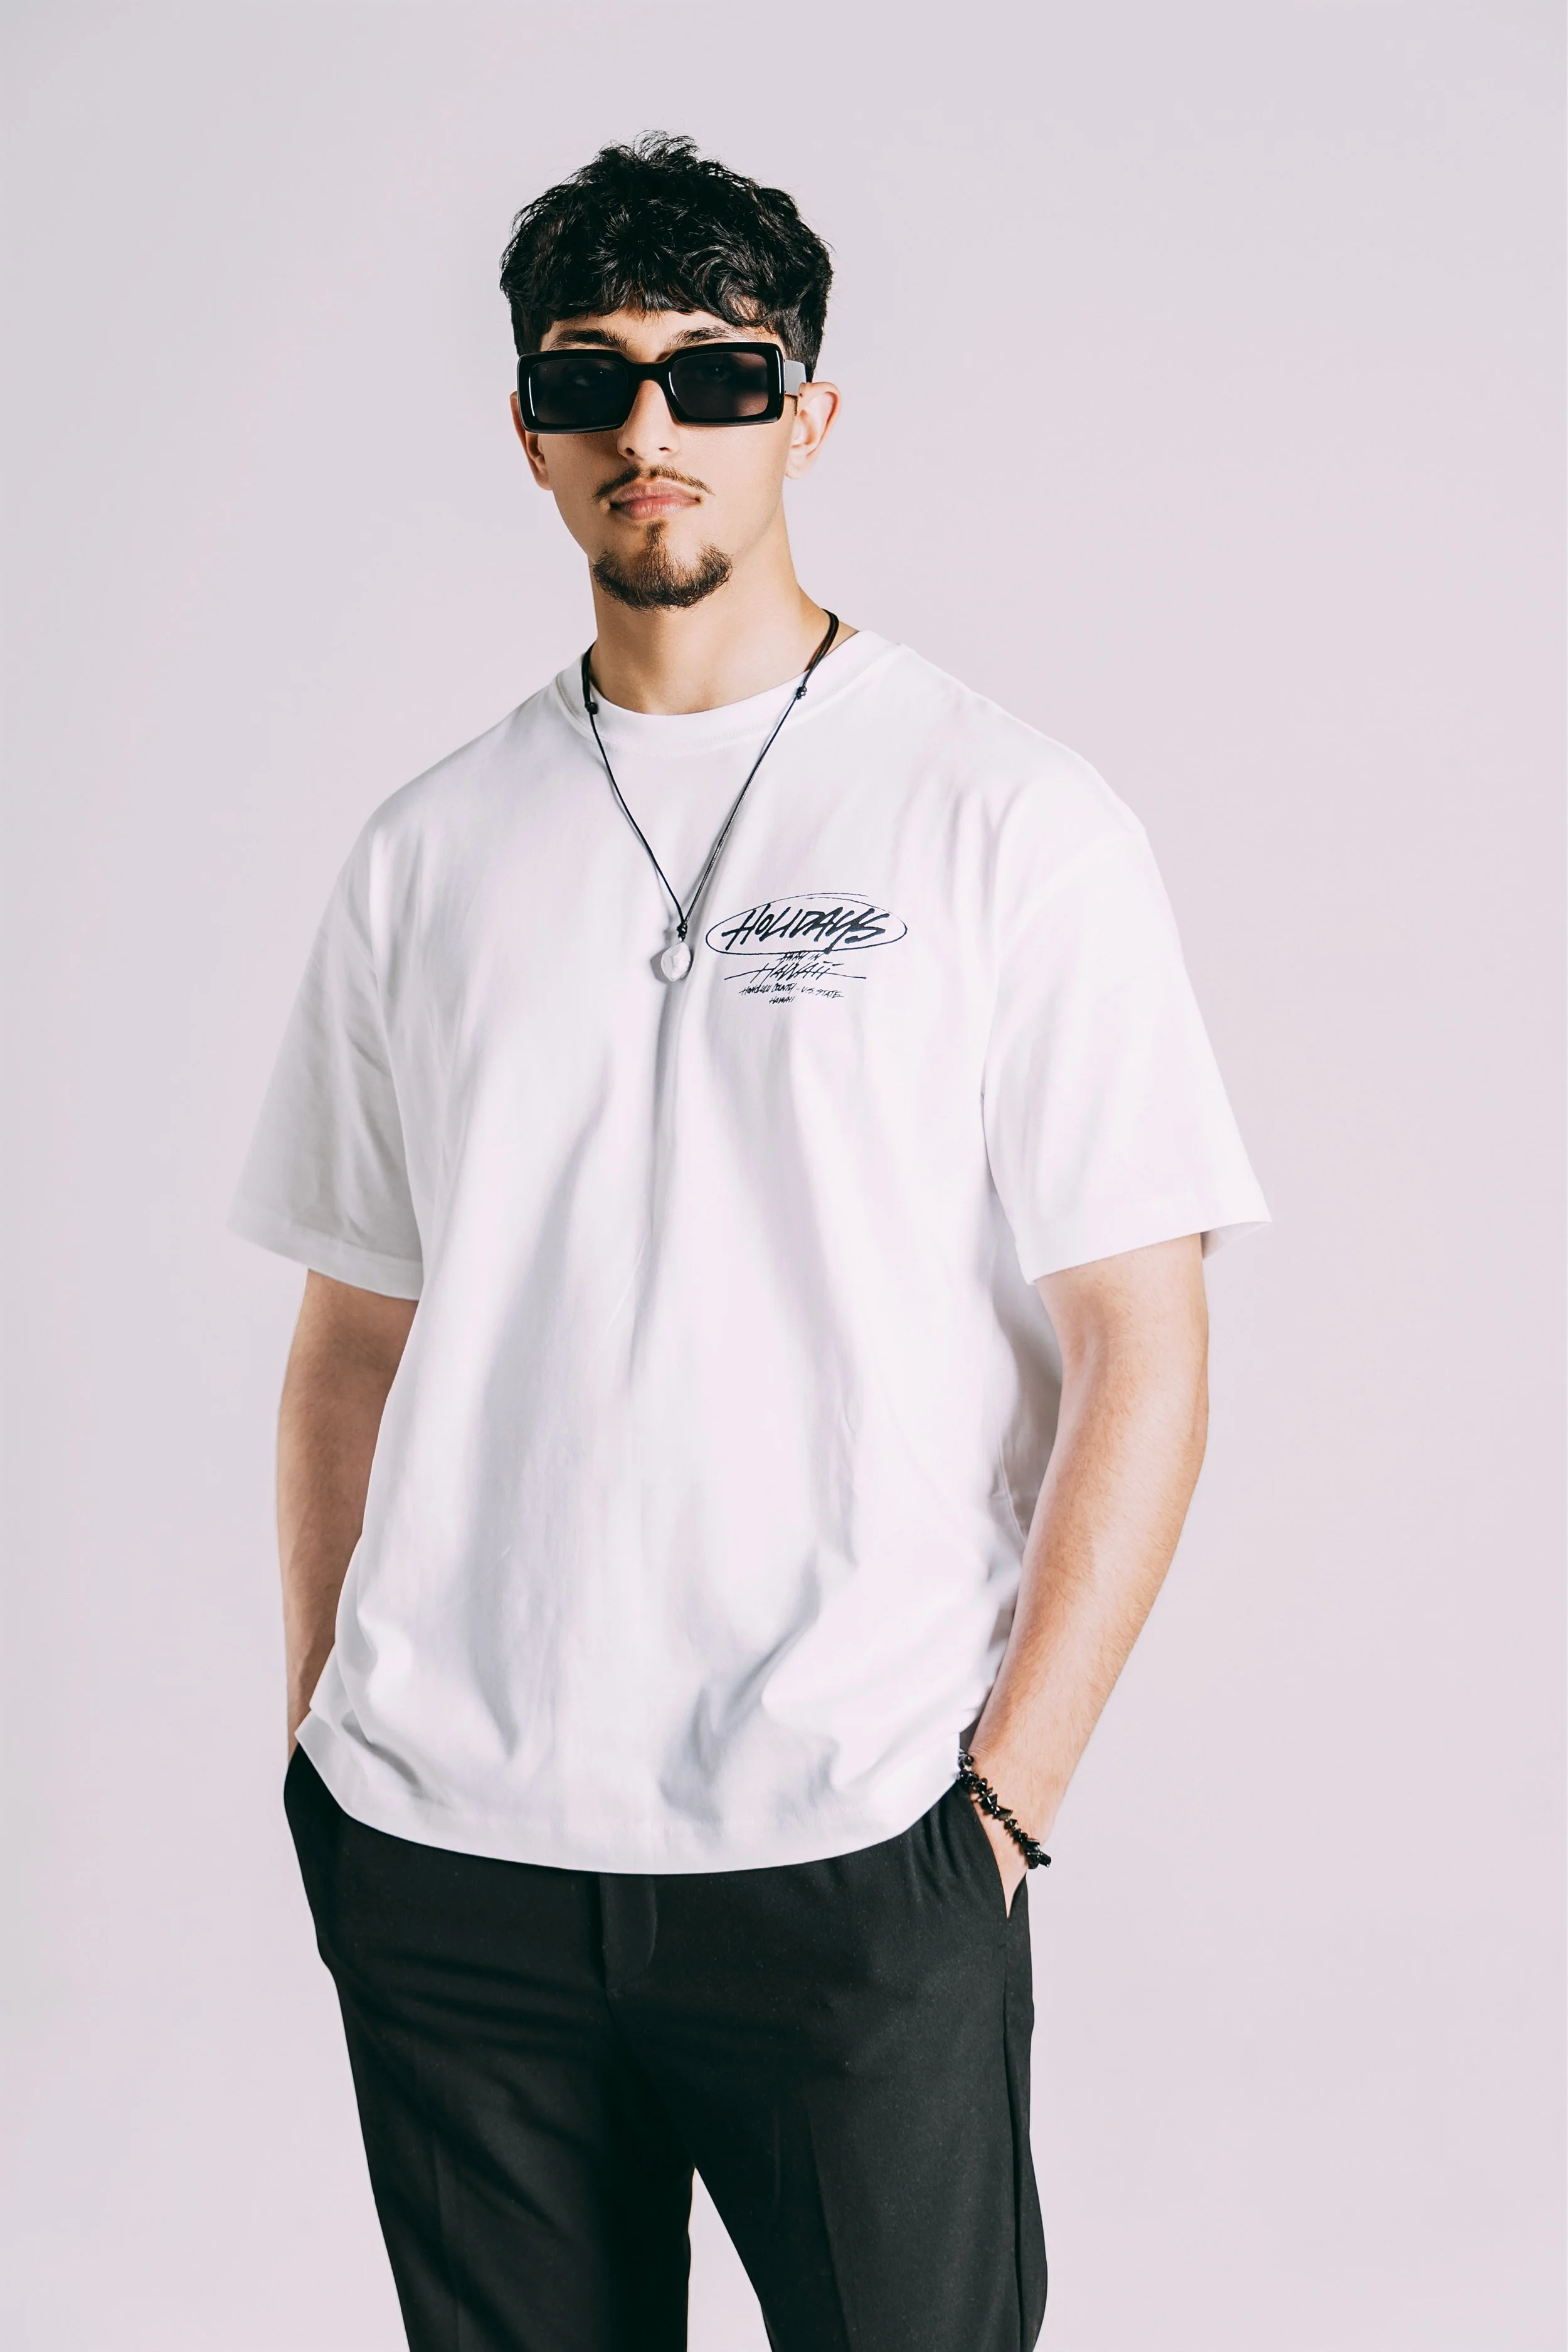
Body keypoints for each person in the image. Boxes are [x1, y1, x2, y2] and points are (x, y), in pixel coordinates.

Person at [230, 131, 1268, 2352]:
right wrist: (330, 1744)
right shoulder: (429, 850)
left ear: (805, 413)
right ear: (524, 431)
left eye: (715, 375)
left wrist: (999, 1807)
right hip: (450, 1862)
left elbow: (1140, 1337)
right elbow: (351, 1331)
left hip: (852, 1849)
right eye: (589, 382)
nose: (650, 433)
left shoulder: (1008, 820)